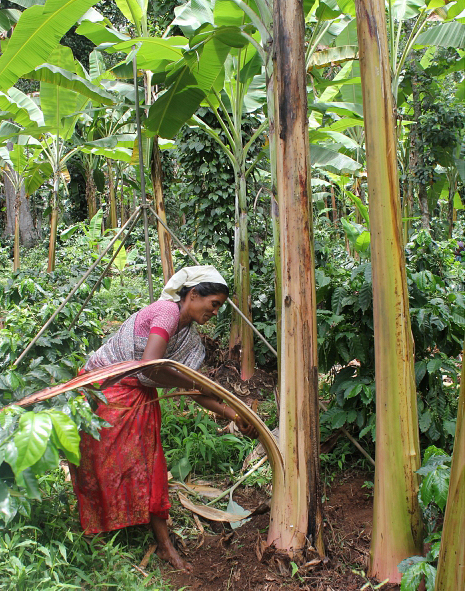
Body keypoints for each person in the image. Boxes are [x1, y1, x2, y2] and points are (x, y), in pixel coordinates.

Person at [70, 265, 256, 572]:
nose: (215, 312)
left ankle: (164, 545)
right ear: (193, 295)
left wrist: (234, 414)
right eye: (214, 304)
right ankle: (96, 539)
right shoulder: (166, 312)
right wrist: (196, 383)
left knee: (150, 466)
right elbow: (151, 366)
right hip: (107, 389)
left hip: (138, 396)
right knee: (101, 465)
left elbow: (195, 389)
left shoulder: (191, 340)